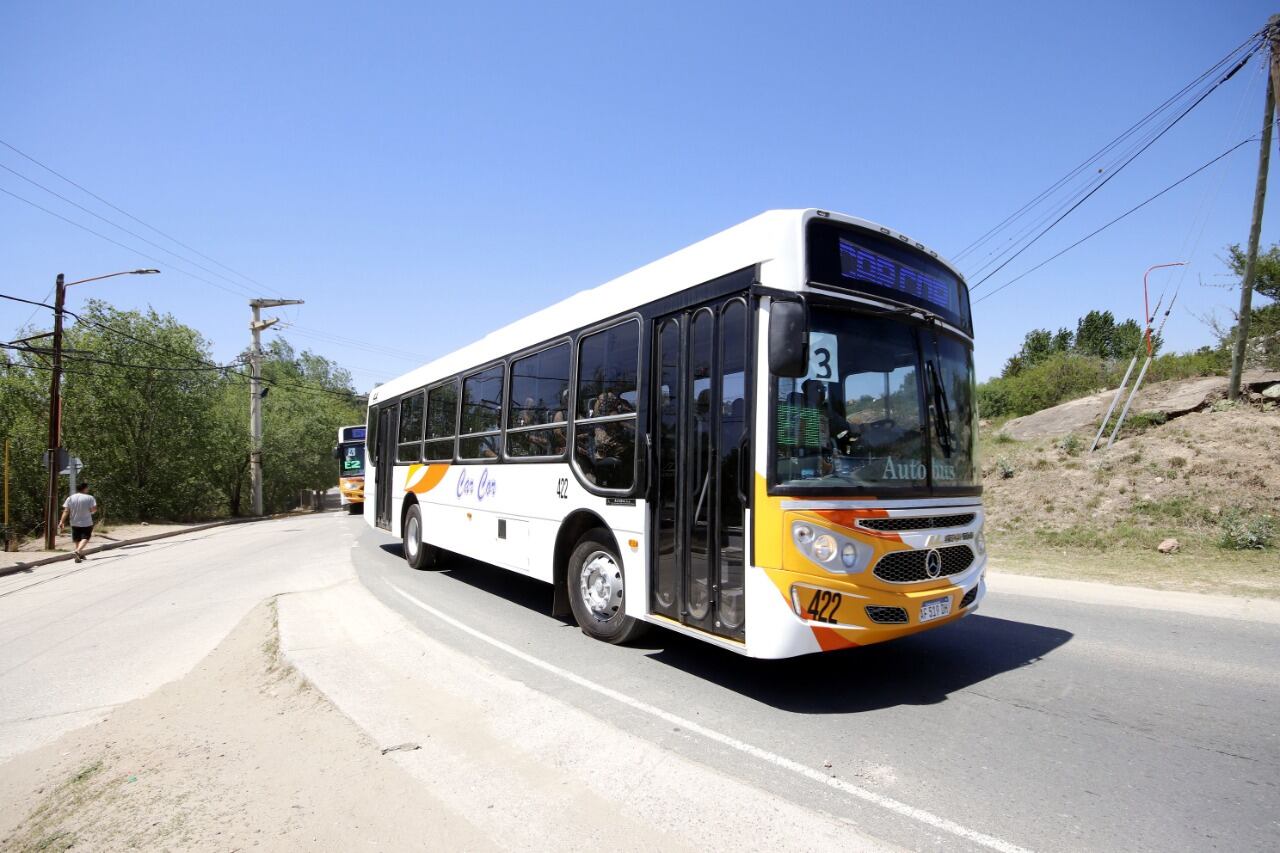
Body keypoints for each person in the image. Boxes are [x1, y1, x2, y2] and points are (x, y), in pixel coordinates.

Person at [59, 481, 98, 563]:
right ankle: (78, 551)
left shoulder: (70, 498)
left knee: (77, 539)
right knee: (86, 538)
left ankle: (79, 554)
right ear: (85, 488)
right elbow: (93, 509)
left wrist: (61, 521)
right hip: (86, 522)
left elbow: (66, 511)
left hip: (74, 522)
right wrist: (92, 511)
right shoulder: (90, 498)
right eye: (87, 488)